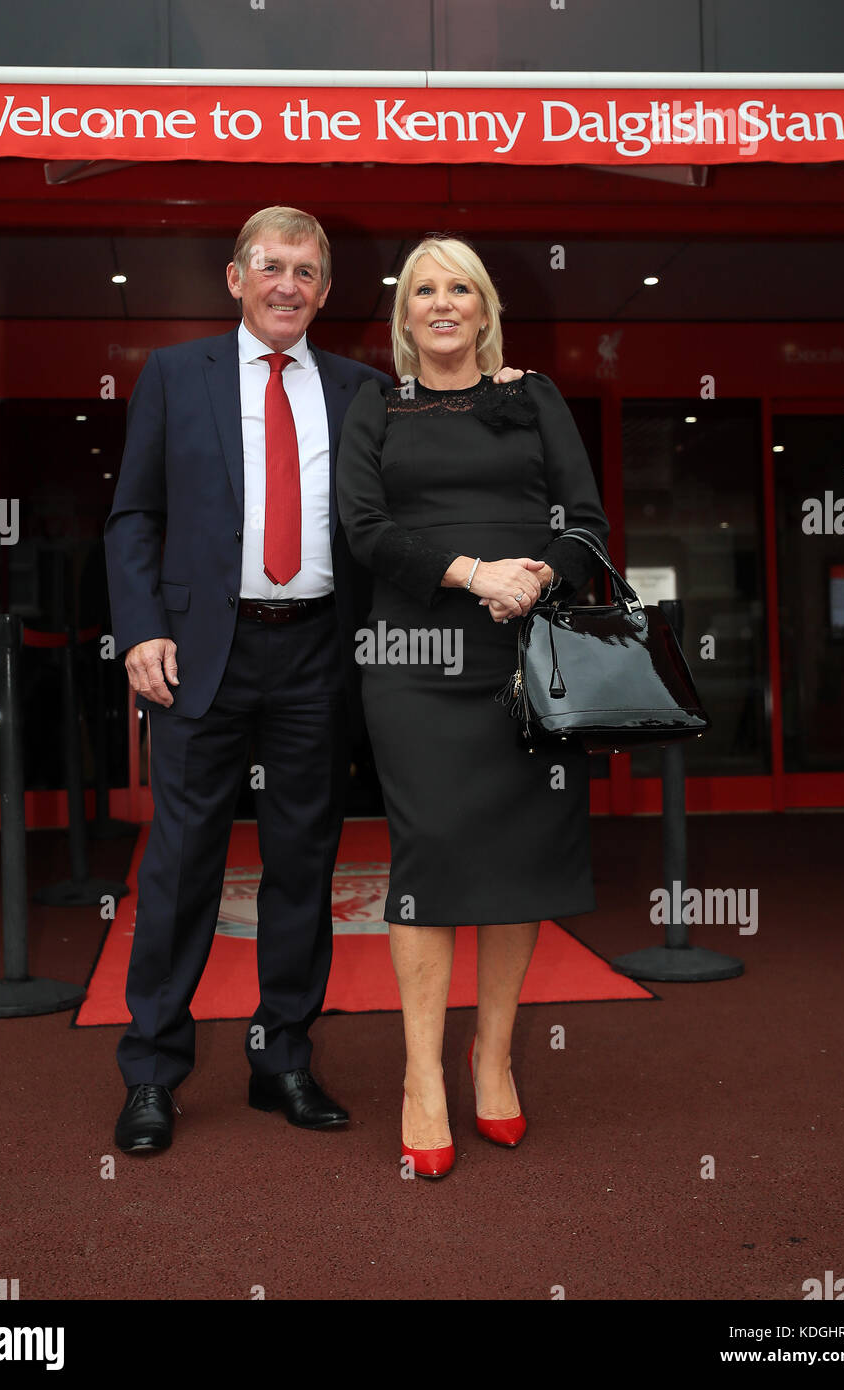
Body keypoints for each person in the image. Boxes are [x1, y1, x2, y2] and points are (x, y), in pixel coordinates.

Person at [104, 208, 525, 1153]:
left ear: (328, 291)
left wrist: (501, 396)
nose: (288, 284)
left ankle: (281, 1058)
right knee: (180, 869)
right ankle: (153, 1073)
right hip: (197, 657)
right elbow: (133, 516)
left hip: (317, 656)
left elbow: (435, 465)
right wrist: (139, 630)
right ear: (236, 278)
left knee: (304, 864)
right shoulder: (176, 376)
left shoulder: (365, 390)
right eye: (272, 267)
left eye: (307, 271)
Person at [337, 235, 610, 1178]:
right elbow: (363, 528)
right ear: (404, 315)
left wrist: (534, 573)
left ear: (486, 310)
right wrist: (470, 571)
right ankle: (421, 1076)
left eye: (461, 289)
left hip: (524, 650)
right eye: (424, 291)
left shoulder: (533, 398)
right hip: (413, 657)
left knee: (516, 849)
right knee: (432, 848)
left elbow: (586, 522)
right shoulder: (377, 405)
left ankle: (492, 1058)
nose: (443, 304)